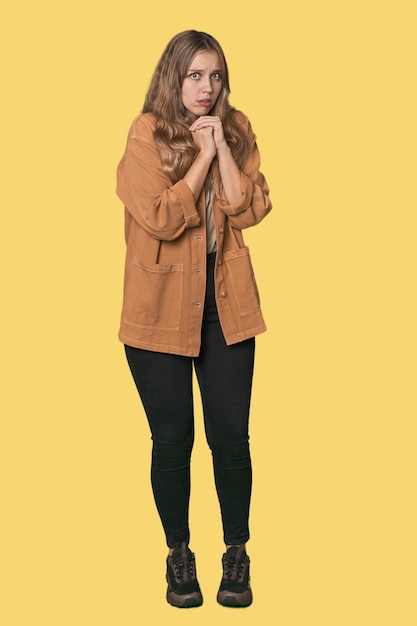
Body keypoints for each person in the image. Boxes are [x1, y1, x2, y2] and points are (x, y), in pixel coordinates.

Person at [116, 30, 272, 608]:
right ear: (172, 78)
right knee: (173, 439)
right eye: (194, 76)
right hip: (158, 314)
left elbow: (249, 208)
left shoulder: (237, 127)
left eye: (215, 76)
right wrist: (202, 156)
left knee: (231, 438)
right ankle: (178, 553)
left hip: (224, 308)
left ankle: (237, 553)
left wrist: (224, 147)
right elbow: (159, 217)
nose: (206, 88)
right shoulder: (145, 133)